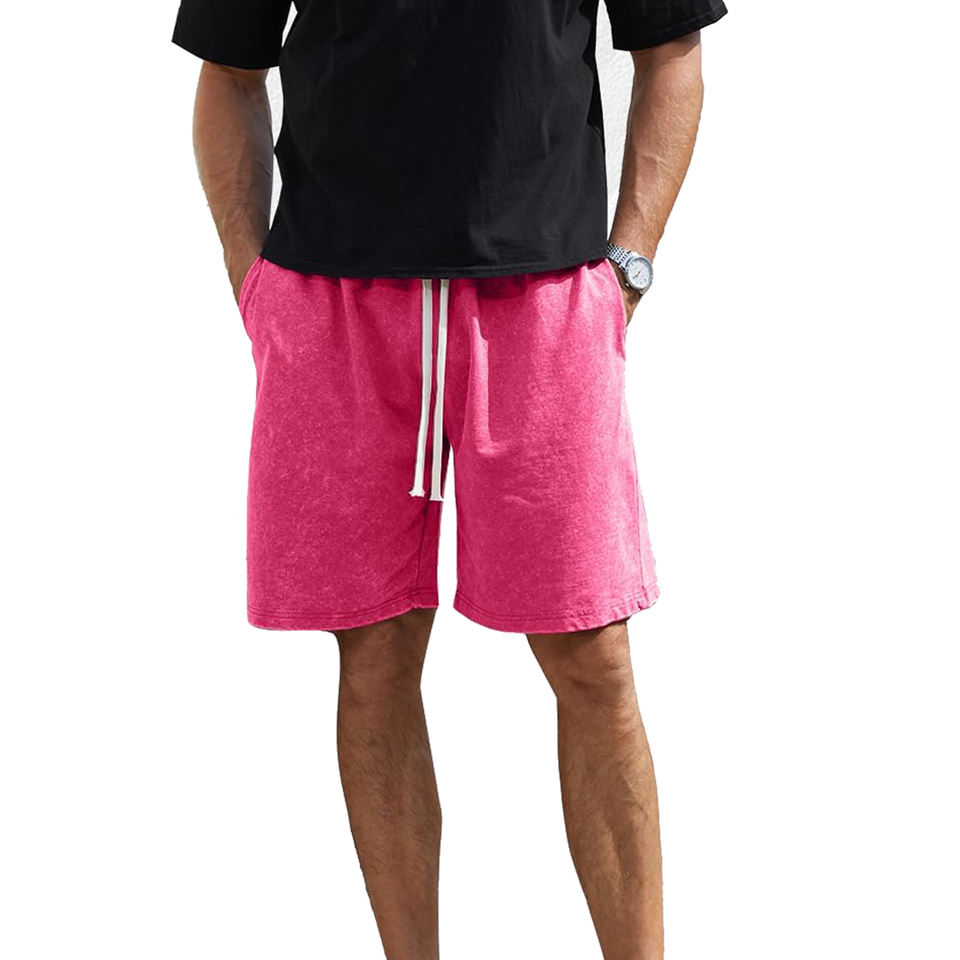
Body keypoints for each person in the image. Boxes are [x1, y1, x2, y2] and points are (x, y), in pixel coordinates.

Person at [172, 0, 726, 956]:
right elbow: (227, 70)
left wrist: (627, 267)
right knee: (375, 654)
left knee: (592, 656)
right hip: (335, 299)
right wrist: (252, 284)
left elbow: (672, 49)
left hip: (543, 295)